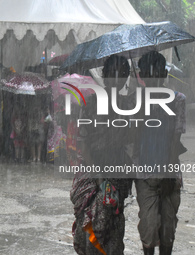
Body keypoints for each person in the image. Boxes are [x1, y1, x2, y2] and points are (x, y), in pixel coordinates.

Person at [70, 55, 134, 255]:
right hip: (94, 173)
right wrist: (98, 177)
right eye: (112, 73)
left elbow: (132, 139)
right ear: (105, 76)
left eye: (122, 73)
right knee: (93, 227)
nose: (117, 78)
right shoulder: (90, 103)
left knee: (113, 225)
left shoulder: (130, 105)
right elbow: (84, 142)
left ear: (126, 77)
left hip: (119, 175)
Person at [134, 51, 186, 255]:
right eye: (147, 73)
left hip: (169, 173)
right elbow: (134, 138)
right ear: (142, 75)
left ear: (164, 74)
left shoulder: (177, 100)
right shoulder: (137, 102)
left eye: (156, 73)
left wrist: (168, 175)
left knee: (167, 228)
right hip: (144, 175)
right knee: (148, 226)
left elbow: (175, 140)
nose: (152, 77)